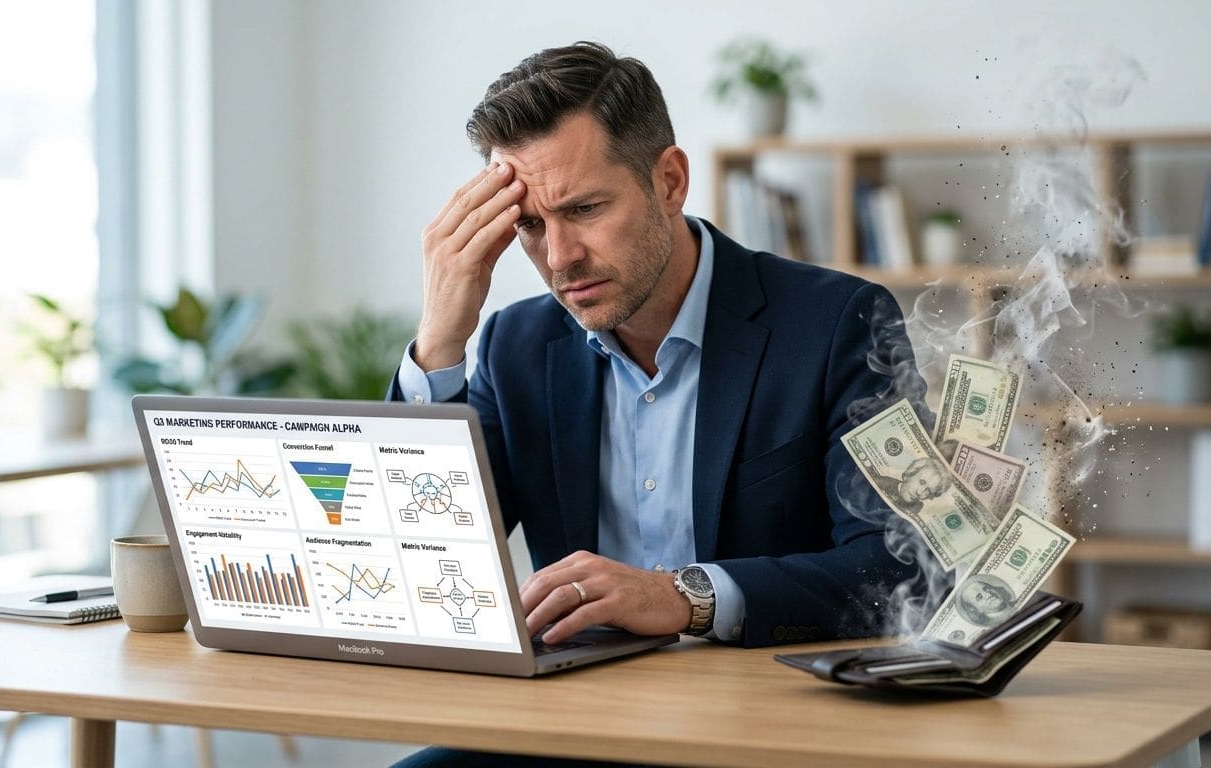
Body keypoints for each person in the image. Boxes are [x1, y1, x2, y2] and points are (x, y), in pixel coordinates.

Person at [389, 40, 928, 767]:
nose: (558, 258)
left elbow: (900, 568)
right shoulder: (515, 344)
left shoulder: (838, 324)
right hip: (573, 724)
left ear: (669, 180)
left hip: (769, 727)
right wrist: (438, 344)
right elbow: (412, 560)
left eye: (583, 208)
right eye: (529, 225)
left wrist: (686, 595)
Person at [872, 457, 952, 517]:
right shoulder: (881, 482)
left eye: (928, 491)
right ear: (909, 474)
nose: (920, 492)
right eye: (921, 482)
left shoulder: (917, 508)